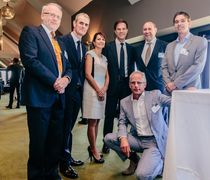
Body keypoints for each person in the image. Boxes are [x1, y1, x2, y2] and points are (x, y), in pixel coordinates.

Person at [18, 3, 71, 180]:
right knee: (39, 144)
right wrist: (55, 81)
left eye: (57, 16)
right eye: (50, 14)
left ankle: (51, 173)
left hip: (58, 99)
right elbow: (30, 60)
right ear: (42, 15)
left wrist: (66, 79)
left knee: (54, 142)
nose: (54, 18)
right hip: (39, 99)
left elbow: (68, 68)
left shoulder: (60, 42)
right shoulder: (31, 32)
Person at [104, 71, 171, 179]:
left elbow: (172, 101)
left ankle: (160, 165)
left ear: (145, 84)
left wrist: (185, 92)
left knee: (141, 175)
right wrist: (123, 138)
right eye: (133, 83)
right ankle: (135, 160)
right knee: (108, 138)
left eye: (139, 83)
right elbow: (122, 122)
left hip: (154, 142)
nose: (136, 85)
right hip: (137, 139)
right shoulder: (124, 102)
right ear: (129, 85)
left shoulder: (155, 95)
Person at [59, 13, 90, 179]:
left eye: (86, 25)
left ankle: (67, 155)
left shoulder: (84, 47)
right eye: (81, 23)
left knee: (69, 127)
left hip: (78, 93)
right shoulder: (63, 41)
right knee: (64, 127)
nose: (83, 27)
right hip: (65, 91)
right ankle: (63, 163)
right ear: (74, 23)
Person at [102, 19, 135, 154]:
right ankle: (106, 143)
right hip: (112, 86)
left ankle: (125, 141)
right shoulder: (107, 47)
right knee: (109, 114)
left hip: (127, 86)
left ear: (127, 31)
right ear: (115, 31)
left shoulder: (132, 49)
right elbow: (102, 68)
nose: (121, 31)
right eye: (118, 29)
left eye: (123, 29)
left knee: (126, 115)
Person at [162, 11, 208, 95]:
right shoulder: (169, 46)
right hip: (170, 92)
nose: (179, 24)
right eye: (176, 22)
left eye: (182, 21)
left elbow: (198, 66)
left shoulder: (200, 41)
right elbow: (164, 67)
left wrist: (176, 84)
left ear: (189, 23)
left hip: (190, 90)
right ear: (174, 26)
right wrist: (168, 83)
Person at [83, 32, 109, 164]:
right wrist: (98, 89)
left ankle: (93, 147)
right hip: (91, 90)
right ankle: (93, 150)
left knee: (98, 121)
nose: (101, 41)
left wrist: (104, 88)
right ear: (94, 42)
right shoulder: (90, 55)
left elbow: (107, 76)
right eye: (98, 39)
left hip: (102, 91)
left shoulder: (105, 58)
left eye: (103, 39)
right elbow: (87, 74)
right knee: (92, 122)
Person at [136, 21, 167, 92]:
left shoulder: (165, 46)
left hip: (160, 88)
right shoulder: (137, 49)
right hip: (142, 89)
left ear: (155, 30)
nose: (147, 31)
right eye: (145, 29)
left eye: (149, 29)